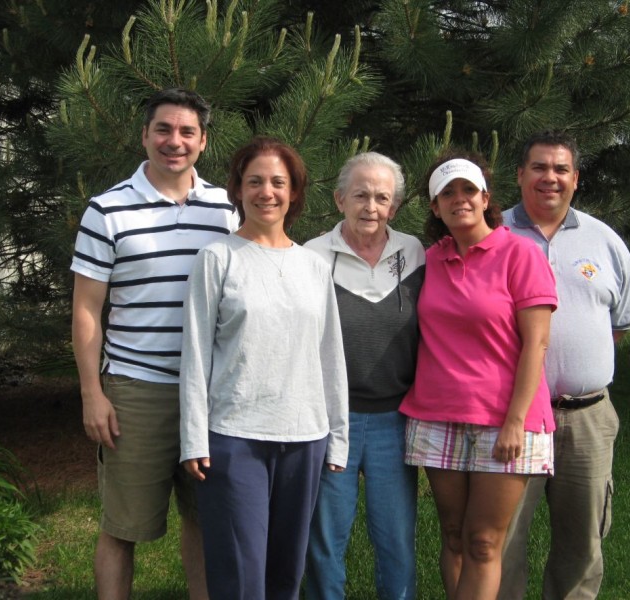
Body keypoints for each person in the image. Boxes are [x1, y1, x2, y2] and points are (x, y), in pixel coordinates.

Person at [71, 88, 238, 599]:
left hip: (211, 393)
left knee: (206, 519)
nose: (174, 141)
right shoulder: (107, 210)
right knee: (122, 527)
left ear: (203, 141)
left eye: (187, 132)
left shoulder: (227, 209)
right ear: (145, 135)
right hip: (136, 391)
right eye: (163, 129)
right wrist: (92, 394)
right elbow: (86, 309)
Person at [179, 136, 349, 600]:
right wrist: (193, 438)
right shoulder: (217, 259)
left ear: (294, 192)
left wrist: (337, 436)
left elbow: (330, 355)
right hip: (235, 438)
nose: (266, 192)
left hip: (305, 437)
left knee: (286, 574)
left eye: (278, 182)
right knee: (241, 575)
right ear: (238, 190)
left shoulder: (313, 266)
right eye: (254, 182)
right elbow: (196, 354)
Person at [400, 152, 558, 600]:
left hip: (506, 420)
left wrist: (515, 420)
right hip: (436, 416)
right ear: (435, 207)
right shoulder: (430, 259)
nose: (459, 199)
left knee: (484, 541)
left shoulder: (520, 254)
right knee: (453, 536)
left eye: (468, 190)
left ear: (486, 198)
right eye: (447, 193)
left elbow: (537, 344)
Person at [499, 130, 630, 600]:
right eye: (539, 167)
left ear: (576, 178)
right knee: (502, 540)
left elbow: (620, 323)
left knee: (583, 542)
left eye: (561, 169)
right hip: (513, 418)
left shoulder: (605, 241)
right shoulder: (494, 234)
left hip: (587, 417)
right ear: (520, 174)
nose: (550, 178)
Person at [304, 152, 425, 600]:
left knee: (396, 536)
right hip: (331, 419)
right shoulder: (311, 256)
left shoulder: (414, 252)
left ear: (394, 206)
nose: (370, 207)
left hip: (395, 417)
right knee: (326, 537)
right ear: (339, 200)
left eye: (381, 197)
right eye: (360, 195)